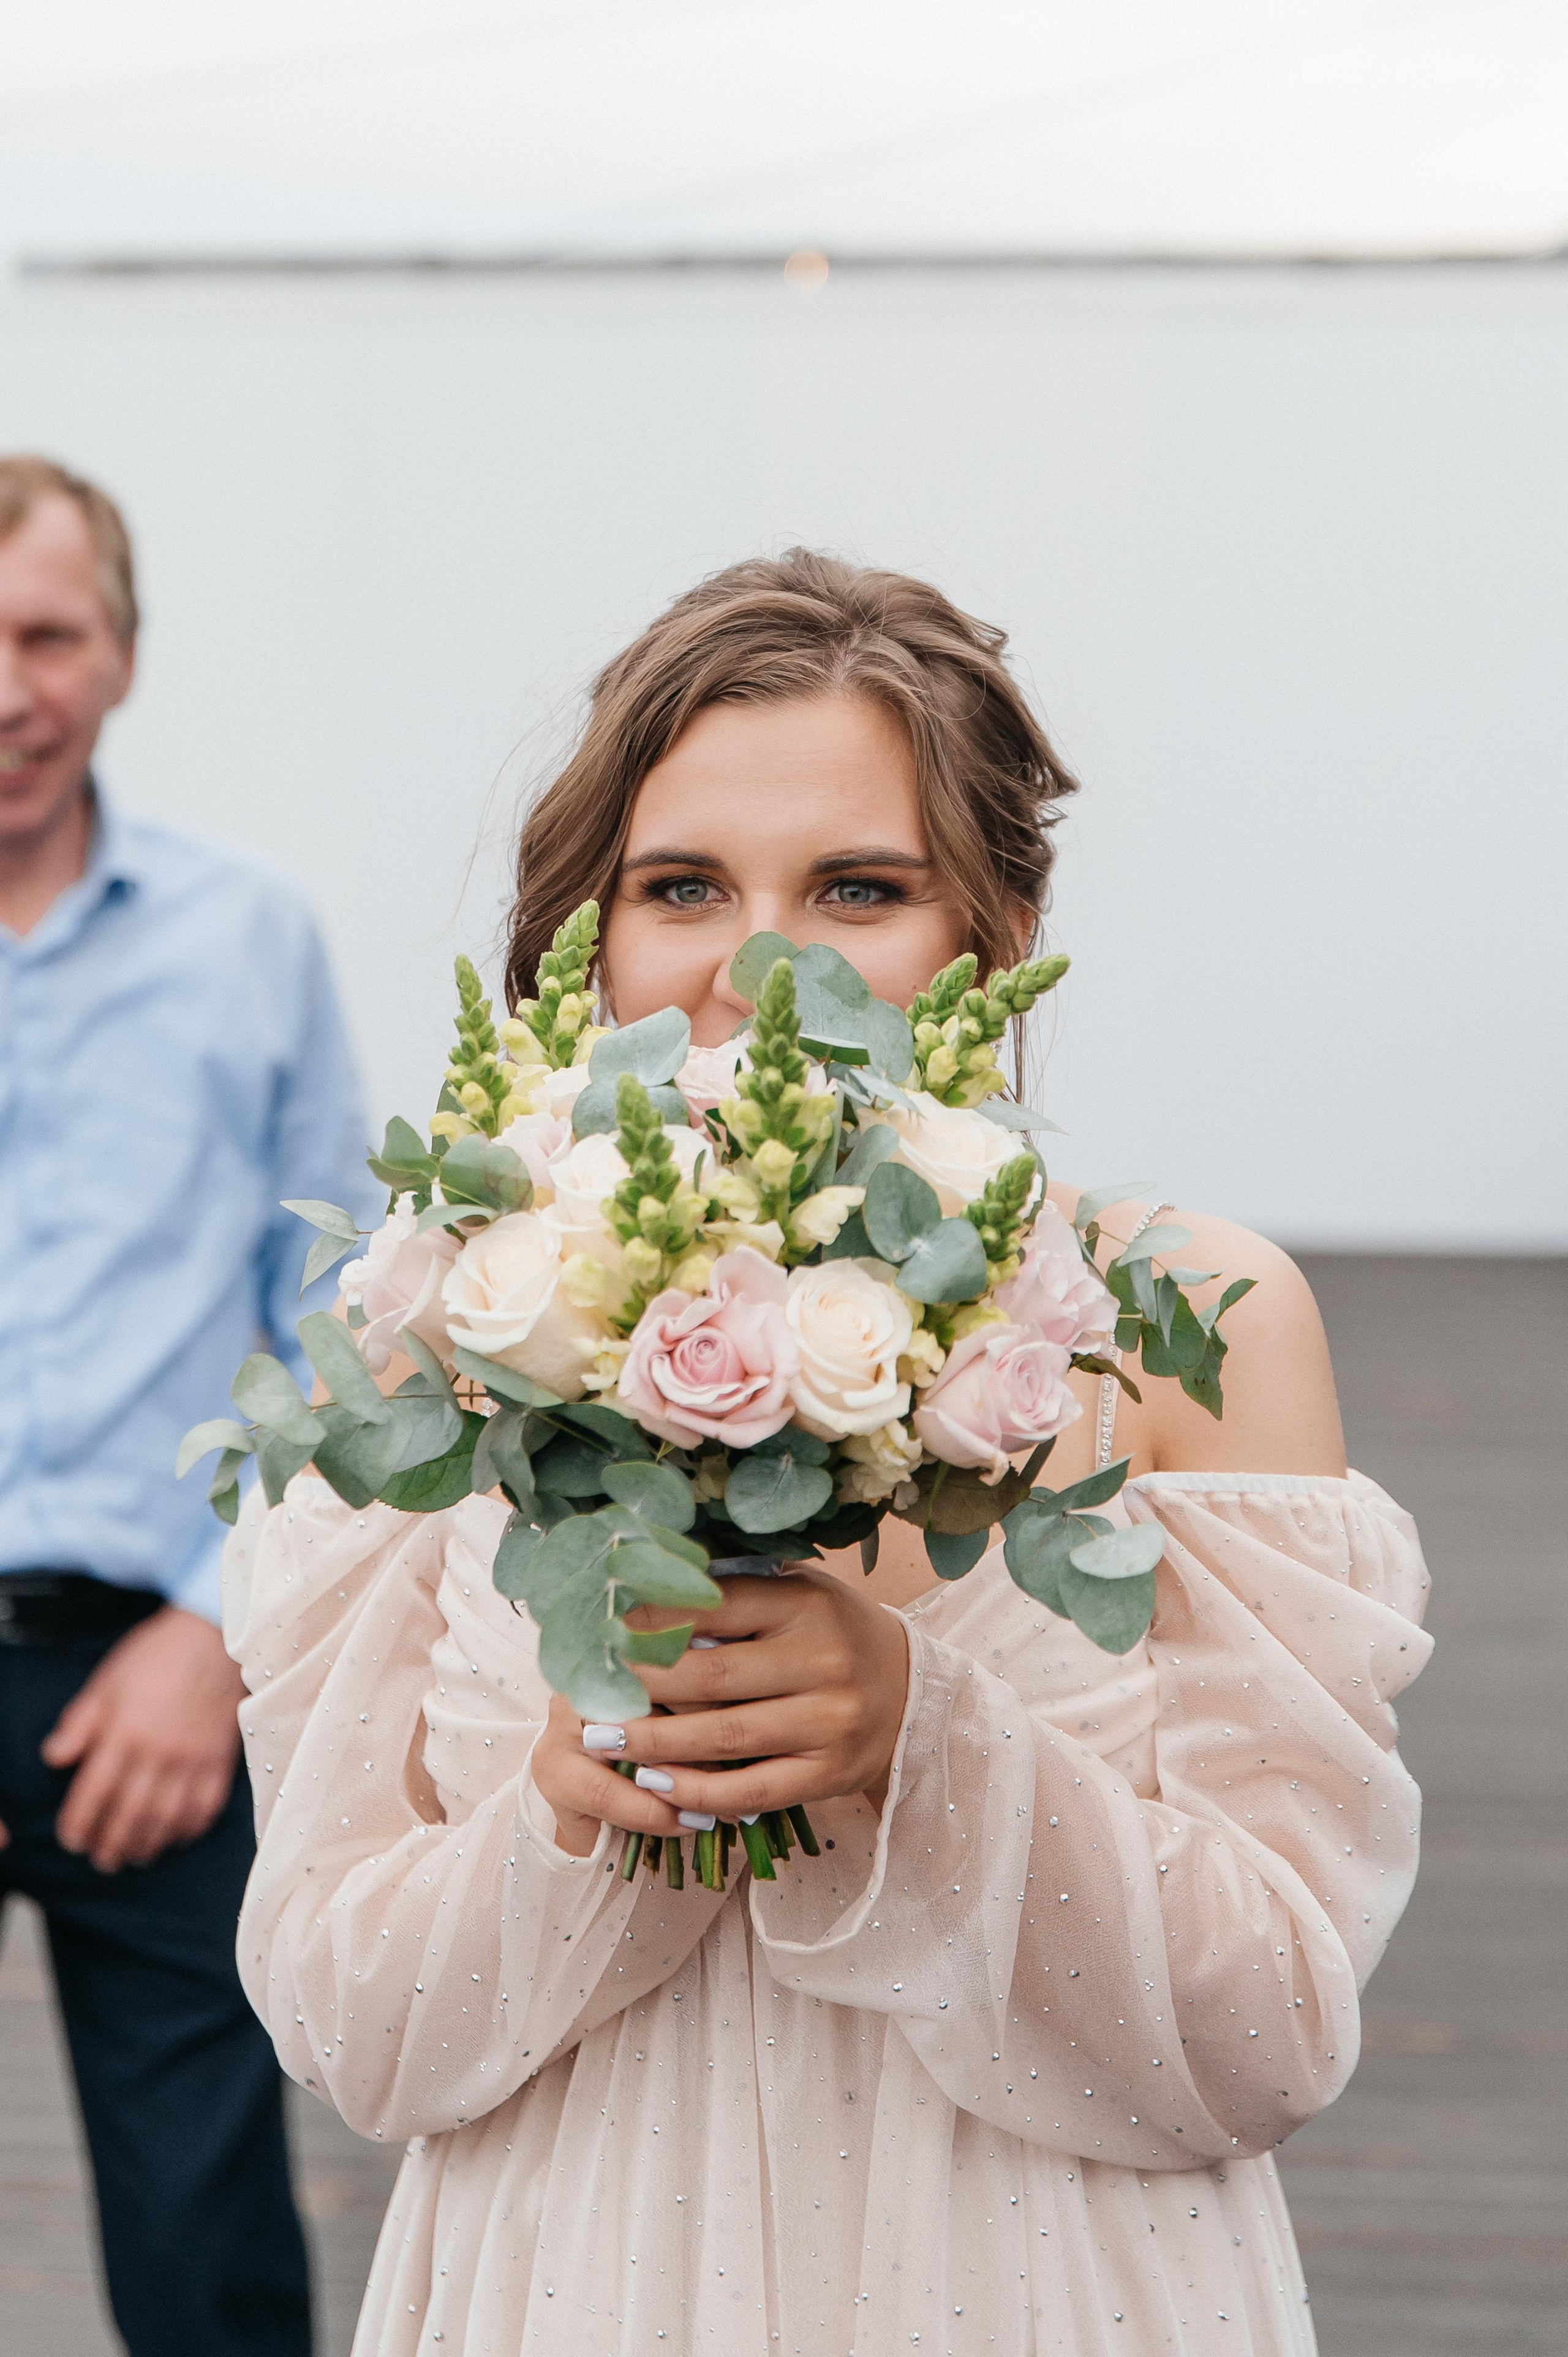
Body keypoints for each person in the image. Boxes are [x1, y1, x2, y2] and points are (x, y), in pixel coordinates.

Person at [224, 550, 1432, 2355]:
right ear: (591, 937)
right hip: (574, 2287)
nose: (758, 961)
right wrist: (573, 1803)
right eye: (682, 885)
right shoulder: (435, 1349)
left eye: (859, 886)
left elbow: (1269, 2032)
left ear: (991, 939)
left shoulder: (1196, 1321)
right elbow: (356, 2041)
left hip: (1041, 2293)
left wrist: (917, 1742)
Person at [0, 454, 375, 2356]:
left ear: (121, 657)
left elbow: (337, 1312)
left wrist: (214, 1623)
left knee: (208, 2239)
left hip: (157, 1676)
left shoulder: (249, 941)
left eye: (46, 634)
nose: (6, 688)